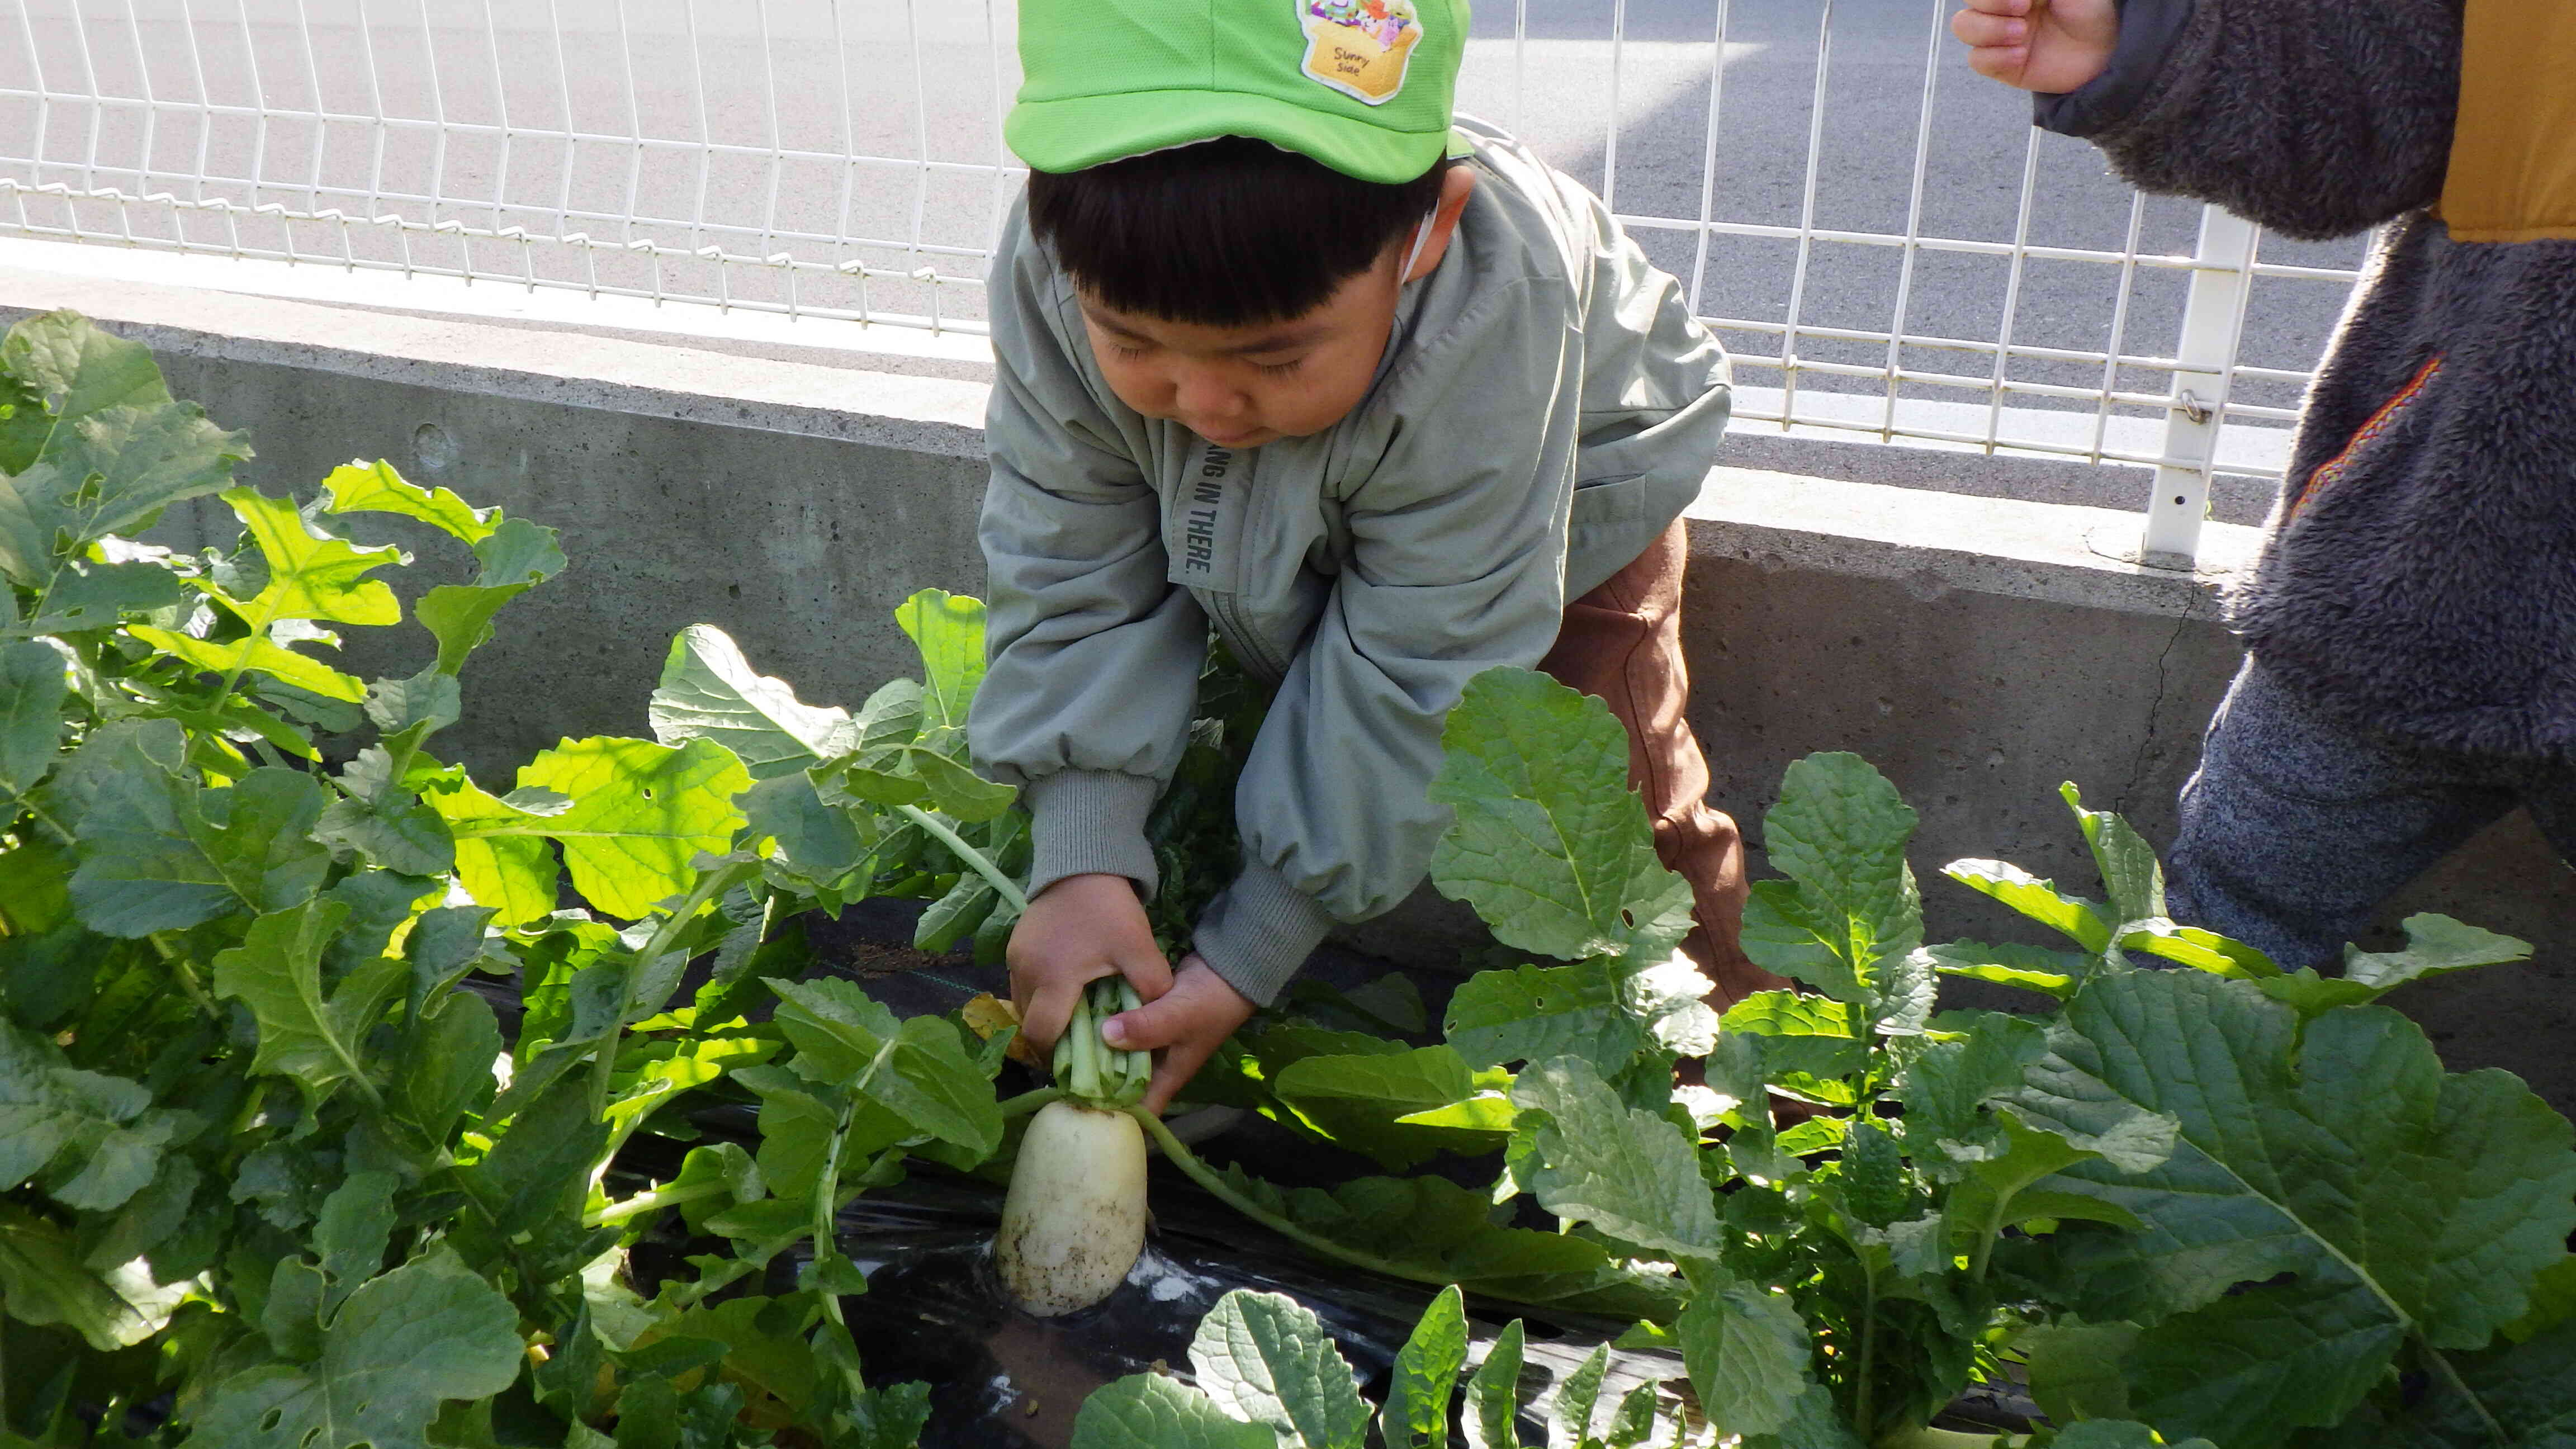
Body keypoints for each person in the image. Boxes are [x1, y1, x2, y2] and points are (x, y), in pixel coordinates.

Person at [970, 0, 1783, 1110]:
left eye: (1274, 358)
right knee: (1302, 723)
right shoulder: (1058, 262)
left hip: (1563, 496)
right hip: (1260, 503)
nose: (1206, 404)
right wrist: (1082, 855)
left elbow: (1426, 645)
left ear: (1430, 231)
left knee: (1605, 808)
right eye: (1133, 343)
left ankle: (1739, 1083)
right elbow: (1069, 556)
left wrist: (1251, 950)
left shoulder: (1497, 307)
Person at [1949, 0, 2576, 967]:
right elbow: (2378, 98)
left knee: (2210, 950)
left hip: (2408, 551)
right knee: (2206, 950)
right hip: (2417, 554)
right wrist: (2154, 49)